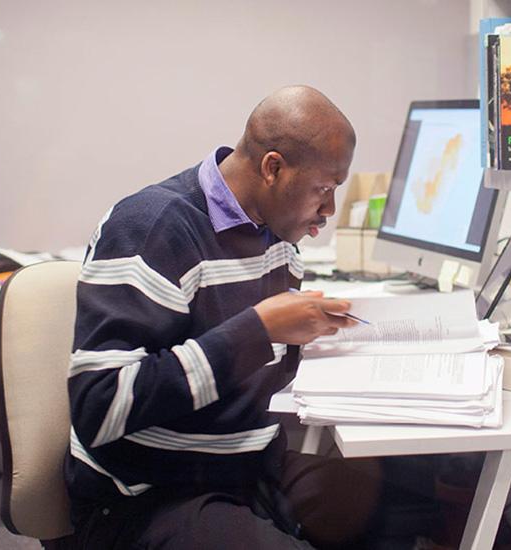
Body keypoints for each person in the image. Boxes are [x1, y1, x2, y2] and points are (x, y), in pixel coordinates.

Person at [66, 86, 382, 549]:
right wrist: (259, 329)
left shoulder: (277, 237)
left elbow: (245, 363)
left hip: (247, 469)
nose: (329, 211)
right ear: (273, 168)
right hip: (146, 495)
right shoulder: (151, 228)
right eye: (324, 189)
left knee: (399, 500)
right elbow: (99, 407)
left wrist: (306, 337)